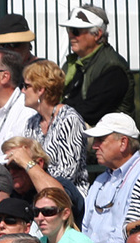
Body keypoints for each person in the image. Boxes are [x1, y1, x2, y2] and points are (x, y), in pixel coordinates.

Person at [81, 113, 140, 243]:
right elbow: (85, 228)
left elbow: (124, 237)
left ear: (123, 143)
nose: (94, 146)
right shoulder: (101, 179)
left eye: (100, 140)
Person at [22, 59, 89, 191]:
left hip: (67, 196)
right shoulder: (32, 123)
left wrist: (30, 167)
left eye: (26, 86)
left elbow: (66, 175)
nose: (22, 91)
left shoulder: (69, 119)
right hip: (38, 192)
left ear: (41, 89)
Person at [59, 5, 132, 125]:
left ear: (97, 34)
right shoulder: (72, 63)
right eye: (69, 30)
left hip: (106, 136)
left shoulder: (113, 67)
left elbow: (90, 111)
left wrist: (57, 111)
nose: (71, 35)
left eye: (76, 31)